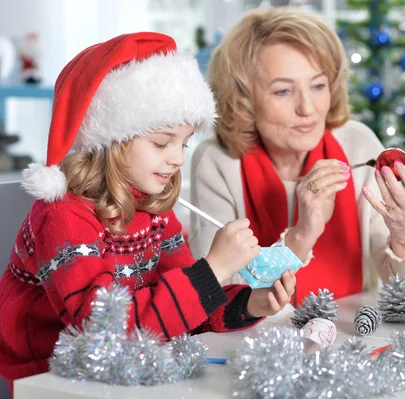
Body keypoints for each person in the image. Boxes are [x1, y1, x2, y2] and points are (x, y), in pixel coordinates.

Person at [0, 32, 296, 388]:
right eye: (161, 142)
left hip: (129, 368)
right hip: (50, 378)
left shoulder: (153, 211)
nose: (176, 158)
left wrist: (251, 304)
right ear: (110, 140)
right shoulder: (61, 217)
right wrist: (213, 270)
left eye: (183, 143)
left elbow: (182, 312)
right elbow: (103, 332)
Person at [189, 8, 405, 303]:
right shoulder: (217, 161)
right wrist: (301, 236)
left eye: (318, 85)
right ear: (244, 98)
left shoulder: (358, 144)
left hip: (353, 338)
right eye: (283, 91)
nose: (307, 108)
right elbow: (215, 294)